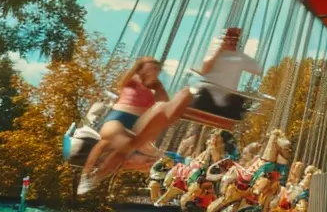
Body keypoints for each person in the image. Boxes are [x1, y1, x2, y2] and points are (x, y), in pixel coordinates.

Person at [80, 28, 262, 193]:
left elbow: (165, 103)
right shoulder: (134, 80)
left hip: (209, 105)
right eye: (151, 70)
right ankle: (88, 174)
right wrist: (218, 52)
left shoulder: (157, 86)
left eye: (157, 71)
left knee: (140, 150)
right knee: (117, 143)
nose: (155, 74)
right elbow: (205, 68)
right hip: (120, 118)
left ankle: (99, 175)